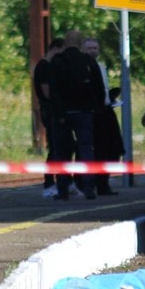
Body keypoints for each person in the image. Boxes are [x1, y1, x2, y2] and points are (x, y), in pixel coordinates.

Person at [48, 29, 106, 200]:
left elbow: (54, 90)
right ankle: (89, 187)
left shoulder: (57, 61)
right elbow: (99, 88)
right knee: (86, 149)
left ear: (65, 43)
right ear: (81, 44)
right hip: (85, 113)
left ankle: (63, 189)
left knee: (62, 152)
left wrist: (57, 113)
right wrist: (97, 109)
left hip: (63, 114)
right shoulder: (88, 61)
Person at [83, 37, 123, 196]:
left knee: (114, 147)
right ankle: (96, 184)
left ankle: (103, 183)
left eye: (95, 48)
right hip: (93, 113)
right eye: (89, 48)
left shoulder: (100, 66)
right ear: (82, 50)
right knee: (98, 149)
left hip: (106, 111)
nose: (93, 51)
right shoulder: (83, 67)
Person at [33, 37, 65, 198]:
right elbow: (47, 92)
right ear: (56, 49)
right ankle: (49, 182)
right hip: (50, 111)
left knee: (61, 146)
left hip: (50, 110)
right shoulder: (45, 66)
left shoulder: (46, 65)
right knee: (55, 147)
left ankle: (63, 181)